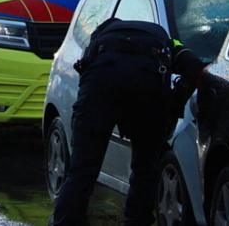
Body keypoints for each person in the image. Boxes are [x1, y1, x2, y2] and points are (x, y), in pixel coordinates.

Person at [50, 17, 205, 226]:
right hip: (148, 86)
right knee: (145, 167)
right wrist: (174, 103)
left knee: (82, 167)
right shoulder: (167, 41)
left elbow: (85, 73)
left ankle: (65, 222)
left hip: (100, 85)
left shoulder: (99, 40)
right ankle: (137, 221)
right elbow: (194, 65)